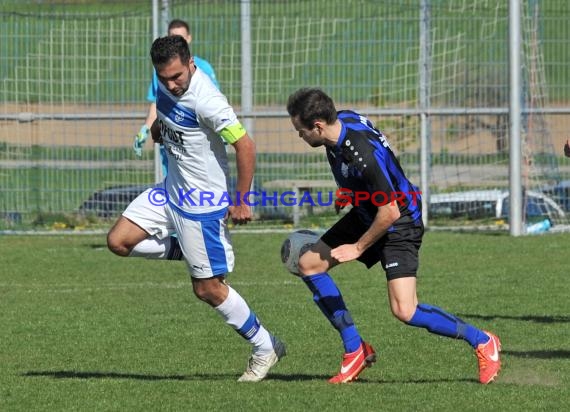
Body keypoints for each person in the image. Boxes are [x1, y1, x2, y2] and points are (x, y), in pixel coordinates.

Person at [285, 87, 501, 384]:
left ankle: (482, 341)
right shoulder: (343, 121)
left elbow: (390, 212)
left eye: (300, 131)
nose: (300, 136)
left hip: (399, 221)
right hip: (367, 211)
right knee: (309, 263)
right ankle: (354, 350)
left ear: (318, 126)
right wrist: (351, 190)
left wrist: (358, 248)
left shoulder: (360, 154)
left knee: (405, 309)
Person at [107, 35, 285, 382]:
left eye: (177, 77)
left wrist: (242, 200)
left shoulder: (207, 101)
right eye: (164, 78)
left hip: (201, 204)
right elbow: (166, 114)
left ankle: (266, 347)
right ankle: (192, 254)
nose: (172, 84)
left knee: (207, 289)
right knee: (119, 241)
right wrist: (157, 128)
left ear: (191, 64)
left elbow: (245, 146)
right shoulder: (164, 86)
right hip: (169, 191)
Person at [133, 19, 220, 178]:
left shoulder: (203, 68)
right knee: (169, 186)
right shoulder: (160, 72)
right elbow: (156, 102)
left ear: (189, 39)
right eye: (173, 37)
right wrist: (145, 128)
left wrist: (218, 130)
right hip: (170, 141)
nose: (171, 84)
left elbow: (214, 103)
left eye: (181, 38)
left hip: (195, 145)